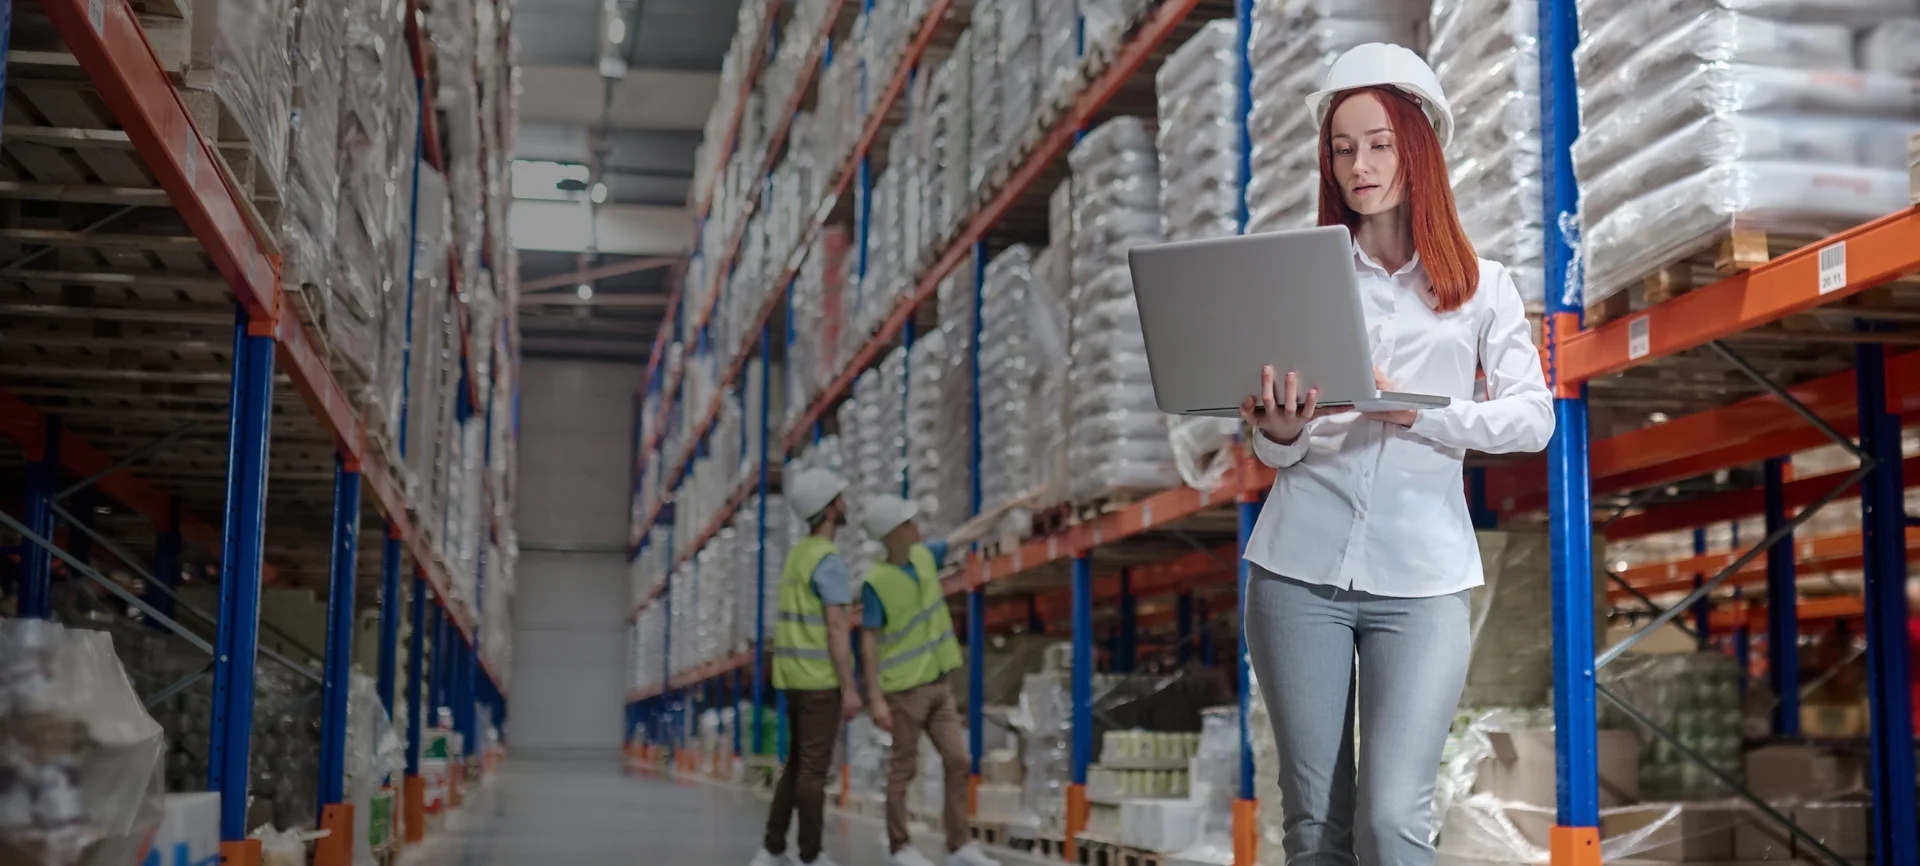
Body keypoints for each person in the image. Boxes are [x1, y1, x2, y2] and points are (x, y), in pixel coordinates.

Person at [1235, 44, 1554, 865]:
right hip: (1295, 568)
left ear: (1418, 147)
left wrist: (1419, 414)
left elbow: (1533, 420)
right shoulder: (1298, 278)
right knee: (1314, 826)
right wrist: (1279, 430)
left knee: (1391, 822)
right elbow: (1281, 450)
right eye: (1342, 149)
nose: (1359, 165)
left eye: (1378, 143)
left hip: (1422, 582)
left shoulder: (1483, 287)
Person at [855, 495, 1000, 866]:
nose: (916, 526)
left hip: (939, 684)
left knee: (958, 759)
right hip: (904, 691)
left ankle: (958, 845)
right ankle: (900, 847)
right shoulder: (877, 582)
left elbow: (965, 535)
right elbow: (869, 642)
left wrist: (1008, 508)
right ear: (893, 534)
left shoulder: (923, 557)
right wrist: (875, 699)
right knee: (903, 769)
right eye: (908, 523)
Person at [751, 469, 864, 866]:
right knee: (814, 772)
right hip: (820, 682)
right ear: (829, 509)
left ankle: (772, 847)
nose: (845, 503)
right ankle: (811, 856)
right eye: (840, 498)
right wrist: (849, 686)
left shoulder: (798, 556)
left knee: (796, 766)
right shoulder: (829, 560)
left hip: (793, 678)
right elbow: (835, 627)